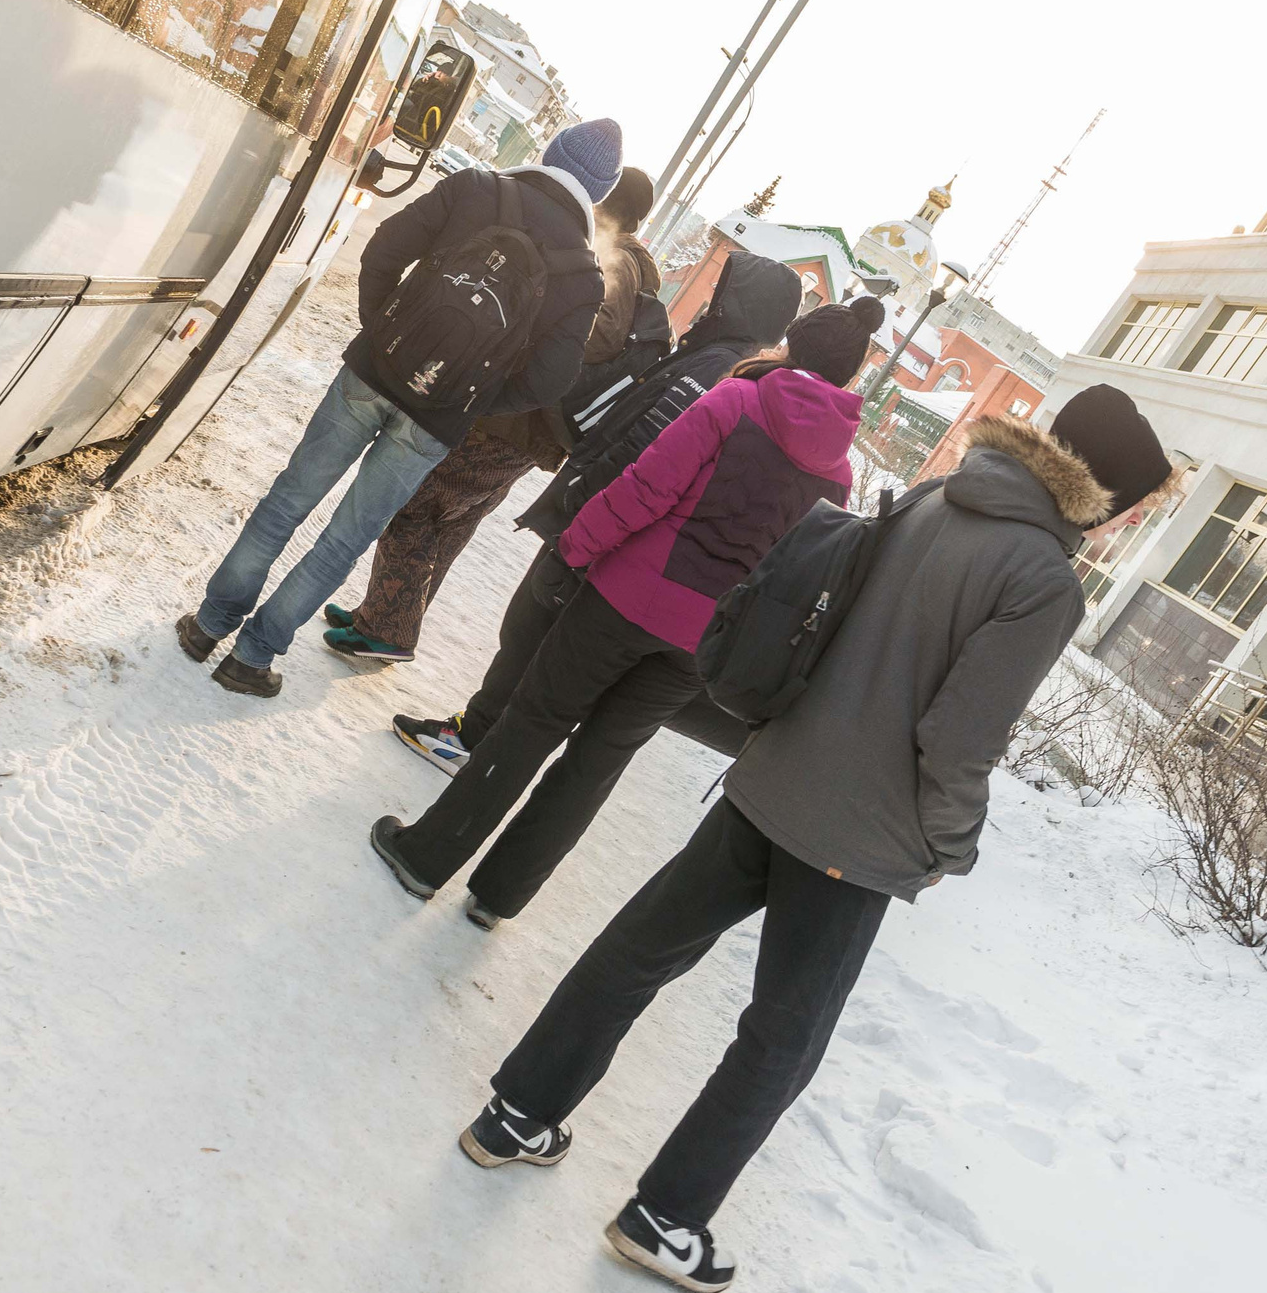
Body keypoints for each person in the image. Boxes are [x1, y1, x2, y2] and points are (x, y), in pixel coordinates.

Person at [451, 385, 1174, 1293]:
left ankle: (516, 1115)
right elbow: (958, 740)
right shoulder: (1044, 580)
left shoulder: (935, 495)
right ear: (1106, 497)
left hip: (771, 774)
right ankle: (665, 1214)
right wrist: (951, 846)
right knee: (781, 1039)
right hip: (857, 838)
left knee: (640, 948)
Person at [368, 297, 883, 927]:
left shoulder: (735, 400)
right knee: (598, 762)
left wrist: (578, 546)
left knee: (532, 721)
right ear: (849, 377)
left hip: (623, 600)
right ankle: (500, 896)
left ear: (791, 347)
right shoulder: (837, 473)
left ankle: (426, 860)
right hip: (701, 642)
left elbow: (648, 486)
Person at [172, 119, 619, 696]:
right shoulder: (583, 275)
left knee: (289, 499)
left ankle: (209, 626)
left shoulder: (475, 189)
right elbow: (553, 378)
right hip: (437, 421)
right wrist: (474, 398)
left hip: (371, 374)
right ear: (599, 193)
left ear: (550, 151)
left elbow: (383, 250)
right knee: (344, 538)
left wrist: (382, 331)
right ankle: (252, 658)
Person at [384, 247, 804, 773]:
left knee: (530, 633)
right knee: (530, 633)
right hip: (602, 519)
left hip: (600, 523)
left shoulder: (719, 364)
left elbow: (647, 447)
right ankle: (480, 735)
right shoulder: (721, 356)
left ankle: (475, 740)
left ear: (741, 305)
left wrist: (581, 507)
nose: (707, 305)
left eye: (722, 295)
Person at [321, 166, 662, 664]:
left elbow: (601, 336)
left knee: (417, 504)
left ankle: (388, 630)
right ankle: (387, 616)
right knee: (451, 520)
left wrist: (535, 334)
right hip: (531, 428)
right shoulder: (627, 259)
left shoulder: (618, 260)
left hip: (519, 421)